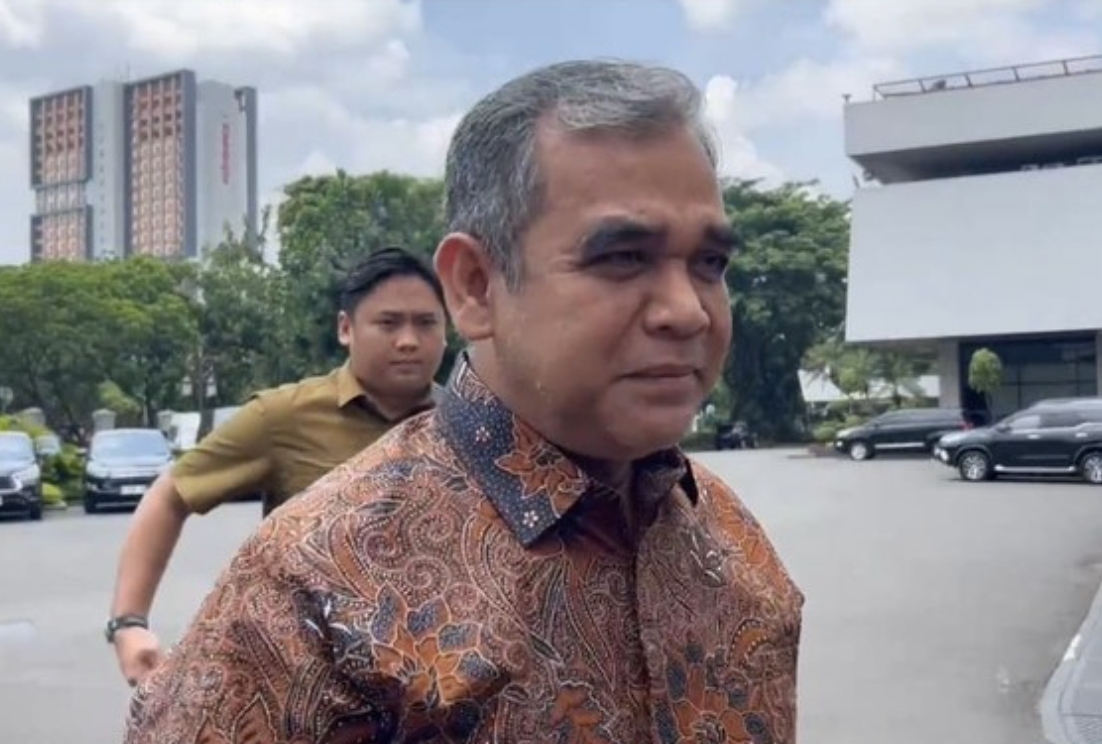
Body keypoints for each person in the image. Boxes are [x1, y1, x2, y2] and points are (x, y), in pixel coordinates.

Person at [125, 59, 804, 744]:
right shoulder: (309, 587)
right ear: (476, 287)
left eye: (709, 264)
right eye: (624, 257)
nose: (687, 311)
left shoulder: (733, 542)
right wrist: (127, 623)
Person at [107, 247, 448, 687]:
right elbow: (170, 495)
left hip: (442, 683)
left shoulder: (472, 421)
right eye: (388, 323)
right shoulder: (282, 417)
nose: (408, 341)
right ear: (346, 328)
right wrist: (128, 623)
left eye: (426, 323)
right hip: (309, 685)